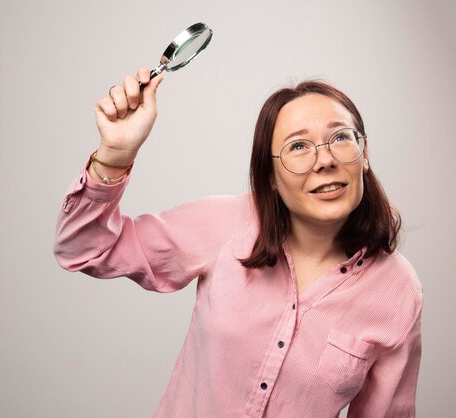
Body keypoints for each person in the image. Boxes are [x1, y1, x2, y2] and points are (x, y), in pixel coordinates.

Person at [53, 68, 423, 418]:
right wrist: (115, 157)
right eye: (298, 147)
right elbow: (82, 248)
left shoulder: (398, 291)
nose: (324, 160)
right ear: (271, 177)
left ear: (365, 155)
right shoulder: (224, 225)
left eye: (341, 137)